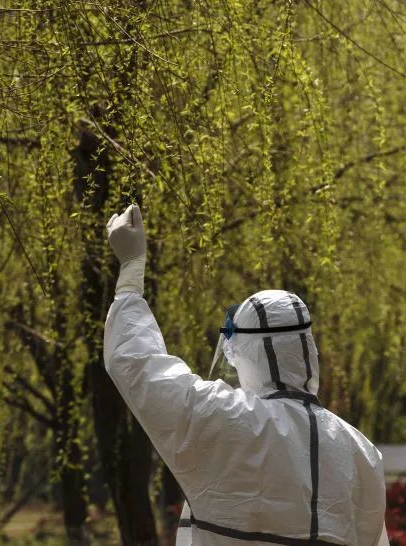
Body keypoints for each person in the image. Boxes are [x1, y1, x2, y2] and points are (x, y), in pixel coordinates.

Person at [104, 205, 390, 546]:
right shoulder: (360, 451)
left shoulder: (222, 415)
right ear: (306, 351)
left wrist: (131, 270)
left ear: (249, 355)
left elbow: (137, 363)